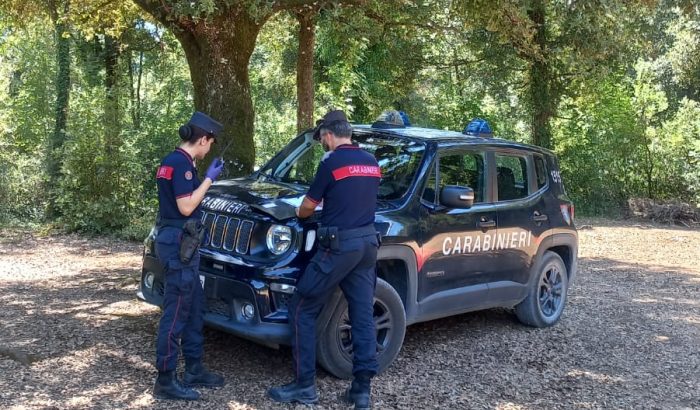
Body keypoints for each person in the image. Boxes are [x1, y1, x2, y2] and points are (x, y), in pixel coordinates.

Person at [268, 110, 381, 410]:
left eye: (321, 138)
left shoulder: (331, 162)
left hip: (339, 247)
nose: (321, 143)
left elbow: (307, 206)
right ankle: (361, 392)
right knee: (361, 315)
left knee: (301, 306)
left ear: (329, 134)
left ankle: (304, 386)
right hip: (367, 244)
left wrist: (299, 213)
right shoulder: (371, 163)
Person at [152, 111, 226, 401]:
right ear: (203, 139)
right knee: (176, 310)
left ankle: (194, 368)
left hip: (180, 241)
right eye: (210, 143)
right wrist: (208, 180)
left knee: (194, 305)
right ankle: (165, 379)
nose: (210, 149)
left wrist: (202, 175)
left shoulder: (173, 161)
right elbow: (185, 207)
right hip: (179, 242)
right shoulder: (180, 164)